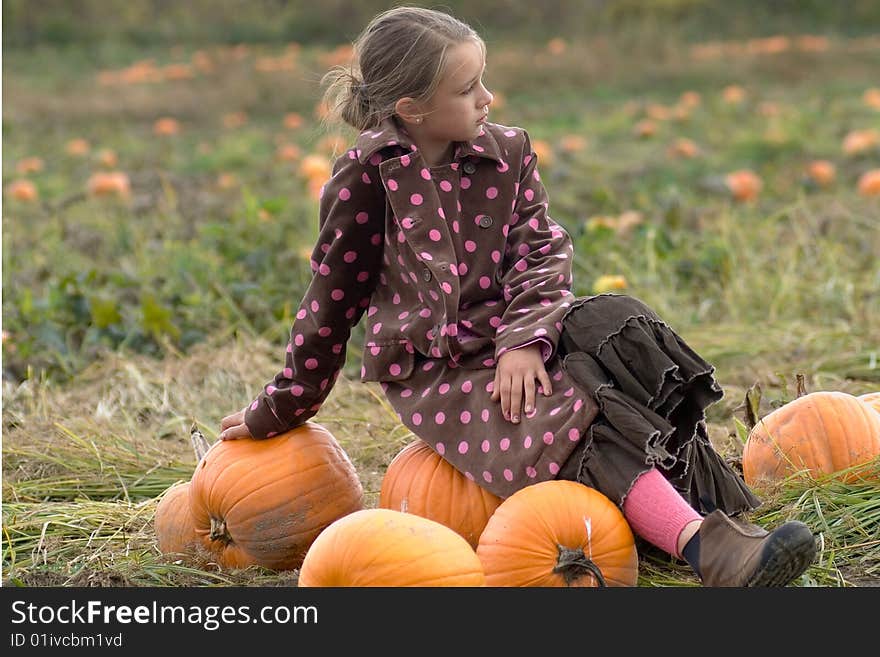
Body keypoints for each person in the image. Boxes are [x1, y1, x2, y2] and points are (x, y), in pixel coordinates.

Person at [219, 5, 816, 587]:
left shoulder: (507, 154)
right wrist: (280, 408)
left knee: (617, 320)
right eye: (468, 88)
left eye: (484, 80)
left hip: (523, 327)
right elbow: (329, 304)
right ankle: (704, 547)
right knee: (564, 415)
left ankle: (694, 494)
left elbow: (542, 251)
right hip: (441, 367)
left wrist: (524, 339)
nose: (488, 98)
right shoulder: (365, 182)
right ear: (412, 108)